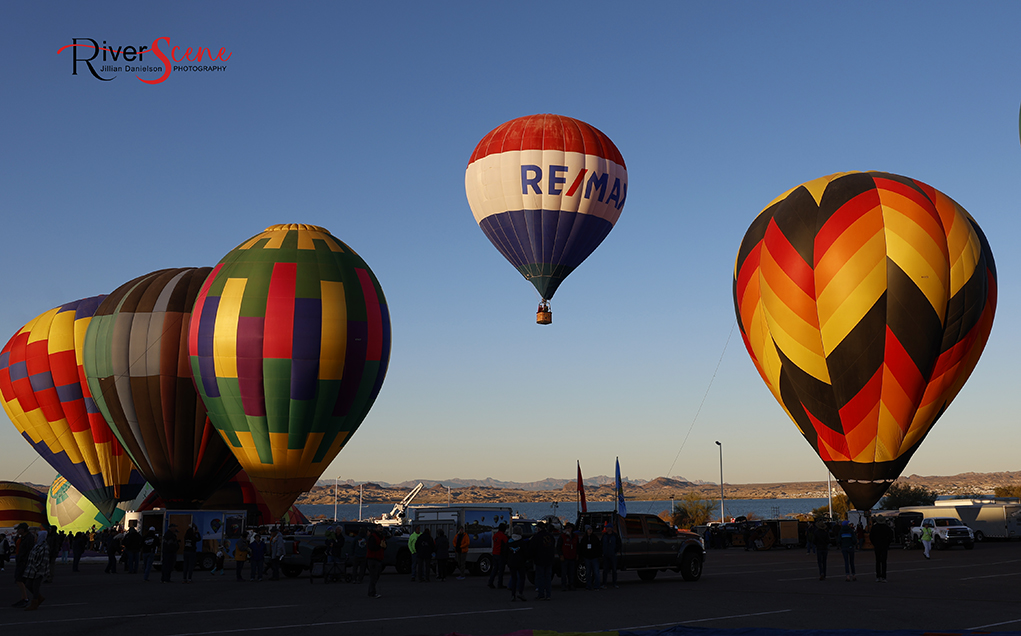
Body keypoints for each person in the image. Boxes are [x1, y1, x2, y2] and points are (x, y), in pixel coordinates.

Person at [22, 528, 50, 611]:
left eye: (37, 537)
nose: (35, 538)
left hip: (38, 571)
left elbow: (43, 561)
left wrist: (36, 568)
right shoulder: (37, 545)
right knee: (28, 585)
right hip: (31, 570)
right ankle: (39, 598)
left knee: (35, 586)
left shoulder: (44, 547)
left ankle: (34, 603)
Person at [530, 522, 556, 600]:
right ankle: (548, 594)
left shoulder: (536, 537)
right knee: (548, 578)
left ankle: (541, 594)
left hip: (540, 560)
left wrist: (531, 557)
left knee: (540, 577)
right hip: (549, 560)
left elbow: (532, 549)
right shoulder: (550, 536)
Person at [12, 523, 34, 608]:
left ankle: (26, 598)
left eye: (18, 529)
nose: (17, 531)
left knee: (20, 579)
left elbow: (29, 550)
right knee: (21, 580)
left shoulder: (28, 538)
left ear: (23, 530)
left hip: (24, 562)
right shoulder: (24, 537)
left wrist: (24, 561)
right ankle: (24, 598)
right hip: (22, 561)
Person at [505, 532, 528, 602]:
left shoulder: (509, 542)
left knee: (514, 578)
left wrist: (508, 560)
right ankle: (520, 592)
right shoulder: (522, 542)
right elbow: (526, 553)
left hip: (512, 563)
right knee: (522, 578)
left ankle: (513, 595)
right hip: (520, 563)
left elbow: (505, 552)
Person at [579, 524, 602, 590]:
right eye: (588, 529)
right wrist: (582, 555)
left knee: (596, 572)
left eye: (591, 529)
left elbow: (599, 547)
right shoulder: (584, 538)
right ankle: (588, 585)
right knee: (588, 572)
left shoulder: (595, 538)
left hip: (594, 557)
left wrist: (599, 555)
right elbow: (582, 547)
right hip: (587, 557)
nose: (590, 530)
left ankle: (597, 585)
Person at [557, 523, 578, 591]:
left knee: (571, 572)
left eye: (569, 528)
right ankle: (564, 585)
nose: (568, 529)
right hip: (565, 557)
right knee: (564, 573)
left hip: (572, 557)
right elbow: (559, 547)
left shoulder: (575, 537)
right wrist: (561, 555)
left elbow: (577, 547)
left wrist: (577, 554)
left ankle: (571, 584)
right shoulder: (562, 536)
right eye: (566, 528)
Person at [488, 522, 508, 589]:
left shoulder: (495, 535)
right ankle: (500, 584)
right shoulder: (503, 536)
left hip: (494, 553)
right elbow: (507, 544)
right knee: (501, 570)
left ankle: (490, 582)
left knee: (495, 569)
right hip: (500, 554)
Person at [366, 527, 385, 598]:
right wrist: (379, 547)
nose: (381, 529)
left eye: (381, 527)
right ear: (376, 529)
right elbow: (371, 547)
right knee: (373, 576)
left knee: (376, 576)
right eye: (379, 527)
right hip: (372, 558)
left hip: (379, 558)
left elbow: (384, 547)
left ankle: (371, 591)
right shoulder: (373, 537)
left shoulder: (382, 537)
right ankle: (372, 592)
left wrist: (384, 546)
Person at [601, 522, 621, 589]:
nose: (607, 529)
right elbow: (601, 544)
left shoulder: (615, 536)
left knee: (614, 570)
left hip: (613, 555)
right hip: (605, 555)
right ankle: (604, 584)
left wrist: (615, 550)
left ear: (611, 529)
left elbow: (619, 544)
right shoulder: (604, 536)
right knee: (605, 570)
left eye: (608, 528)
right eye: (606, 528)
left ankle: (614, 583)